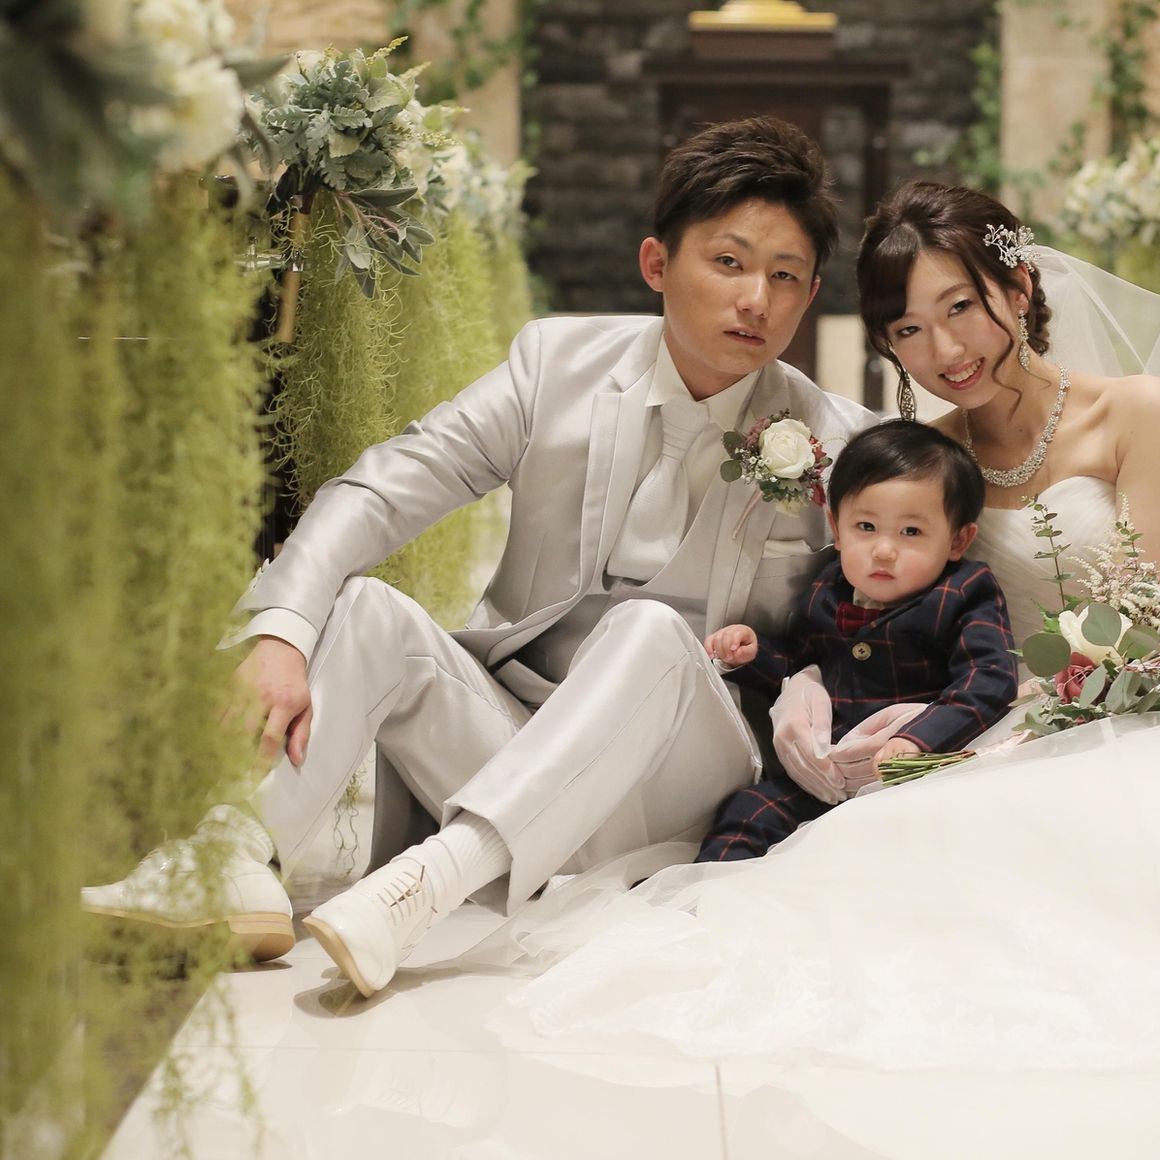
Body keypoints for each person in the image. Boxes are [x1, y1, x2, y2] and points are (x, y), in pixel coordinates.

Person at [81, 114, 873, 996]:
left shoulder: (841, 446)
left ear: (810, 294)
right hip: (508, 741)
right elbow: (382, 488)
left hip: (681, 790)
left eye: (785, 276)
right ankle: (231, 853)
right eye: (728, 262)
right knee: (369, 610)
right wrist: (282, 632)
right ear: (657, 264)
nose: (756, 299)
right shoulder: (556, 366)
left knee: (650, 630)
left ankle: (427, 883)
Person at [457, 181, 1160, 1076]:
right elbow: (855, 605)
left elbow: (1147, 614)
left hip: (1109, 713)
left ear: (1018, 289)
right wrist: (800, 678)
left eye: (962, 308)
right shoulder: (922, 462)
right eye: (908, 329)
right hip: (955, 724)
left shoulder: (1134, 413)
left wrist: (1047, 710)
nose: (945, 351)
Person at [697, 419, 1018, 862]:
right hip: (825, 770)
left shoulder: (965, 591)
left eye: (910, 532)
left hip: (913, 773)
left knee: (887, 848)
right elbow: (800, 664)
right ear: (836, 527)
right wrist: (751, 654)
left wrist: (919, 739)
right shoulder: (828, 587)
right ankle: (704, 892)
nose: (883, 550)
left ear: (957, 540)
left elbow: (990, 679)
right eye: (865, 526)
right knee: (748, 810)